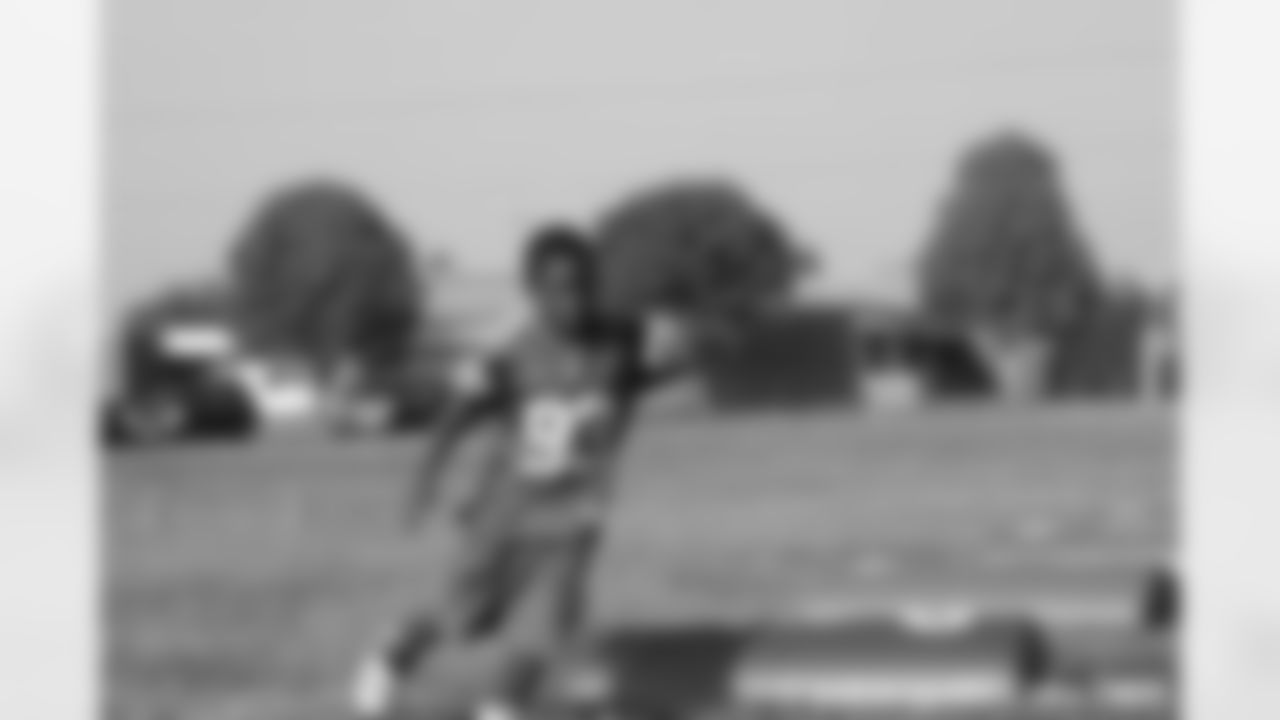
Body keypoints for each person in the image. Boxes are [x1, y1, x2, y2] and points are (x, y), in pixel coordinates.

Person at [351, 224, 697, 719]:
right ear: (533, 293)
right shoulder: (511, 357)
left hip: (574, 517)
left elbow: (641, 371)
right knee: (464, 620)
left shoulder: (621, 337)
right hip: (503, 516)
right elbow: (457, 418)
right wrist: (425, 482)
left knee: (542, 631)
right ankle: (395, 652)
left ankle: (501, 708)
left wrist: (681, 357)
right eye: (557, 290)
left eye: (582, 286)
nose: (572, 301)